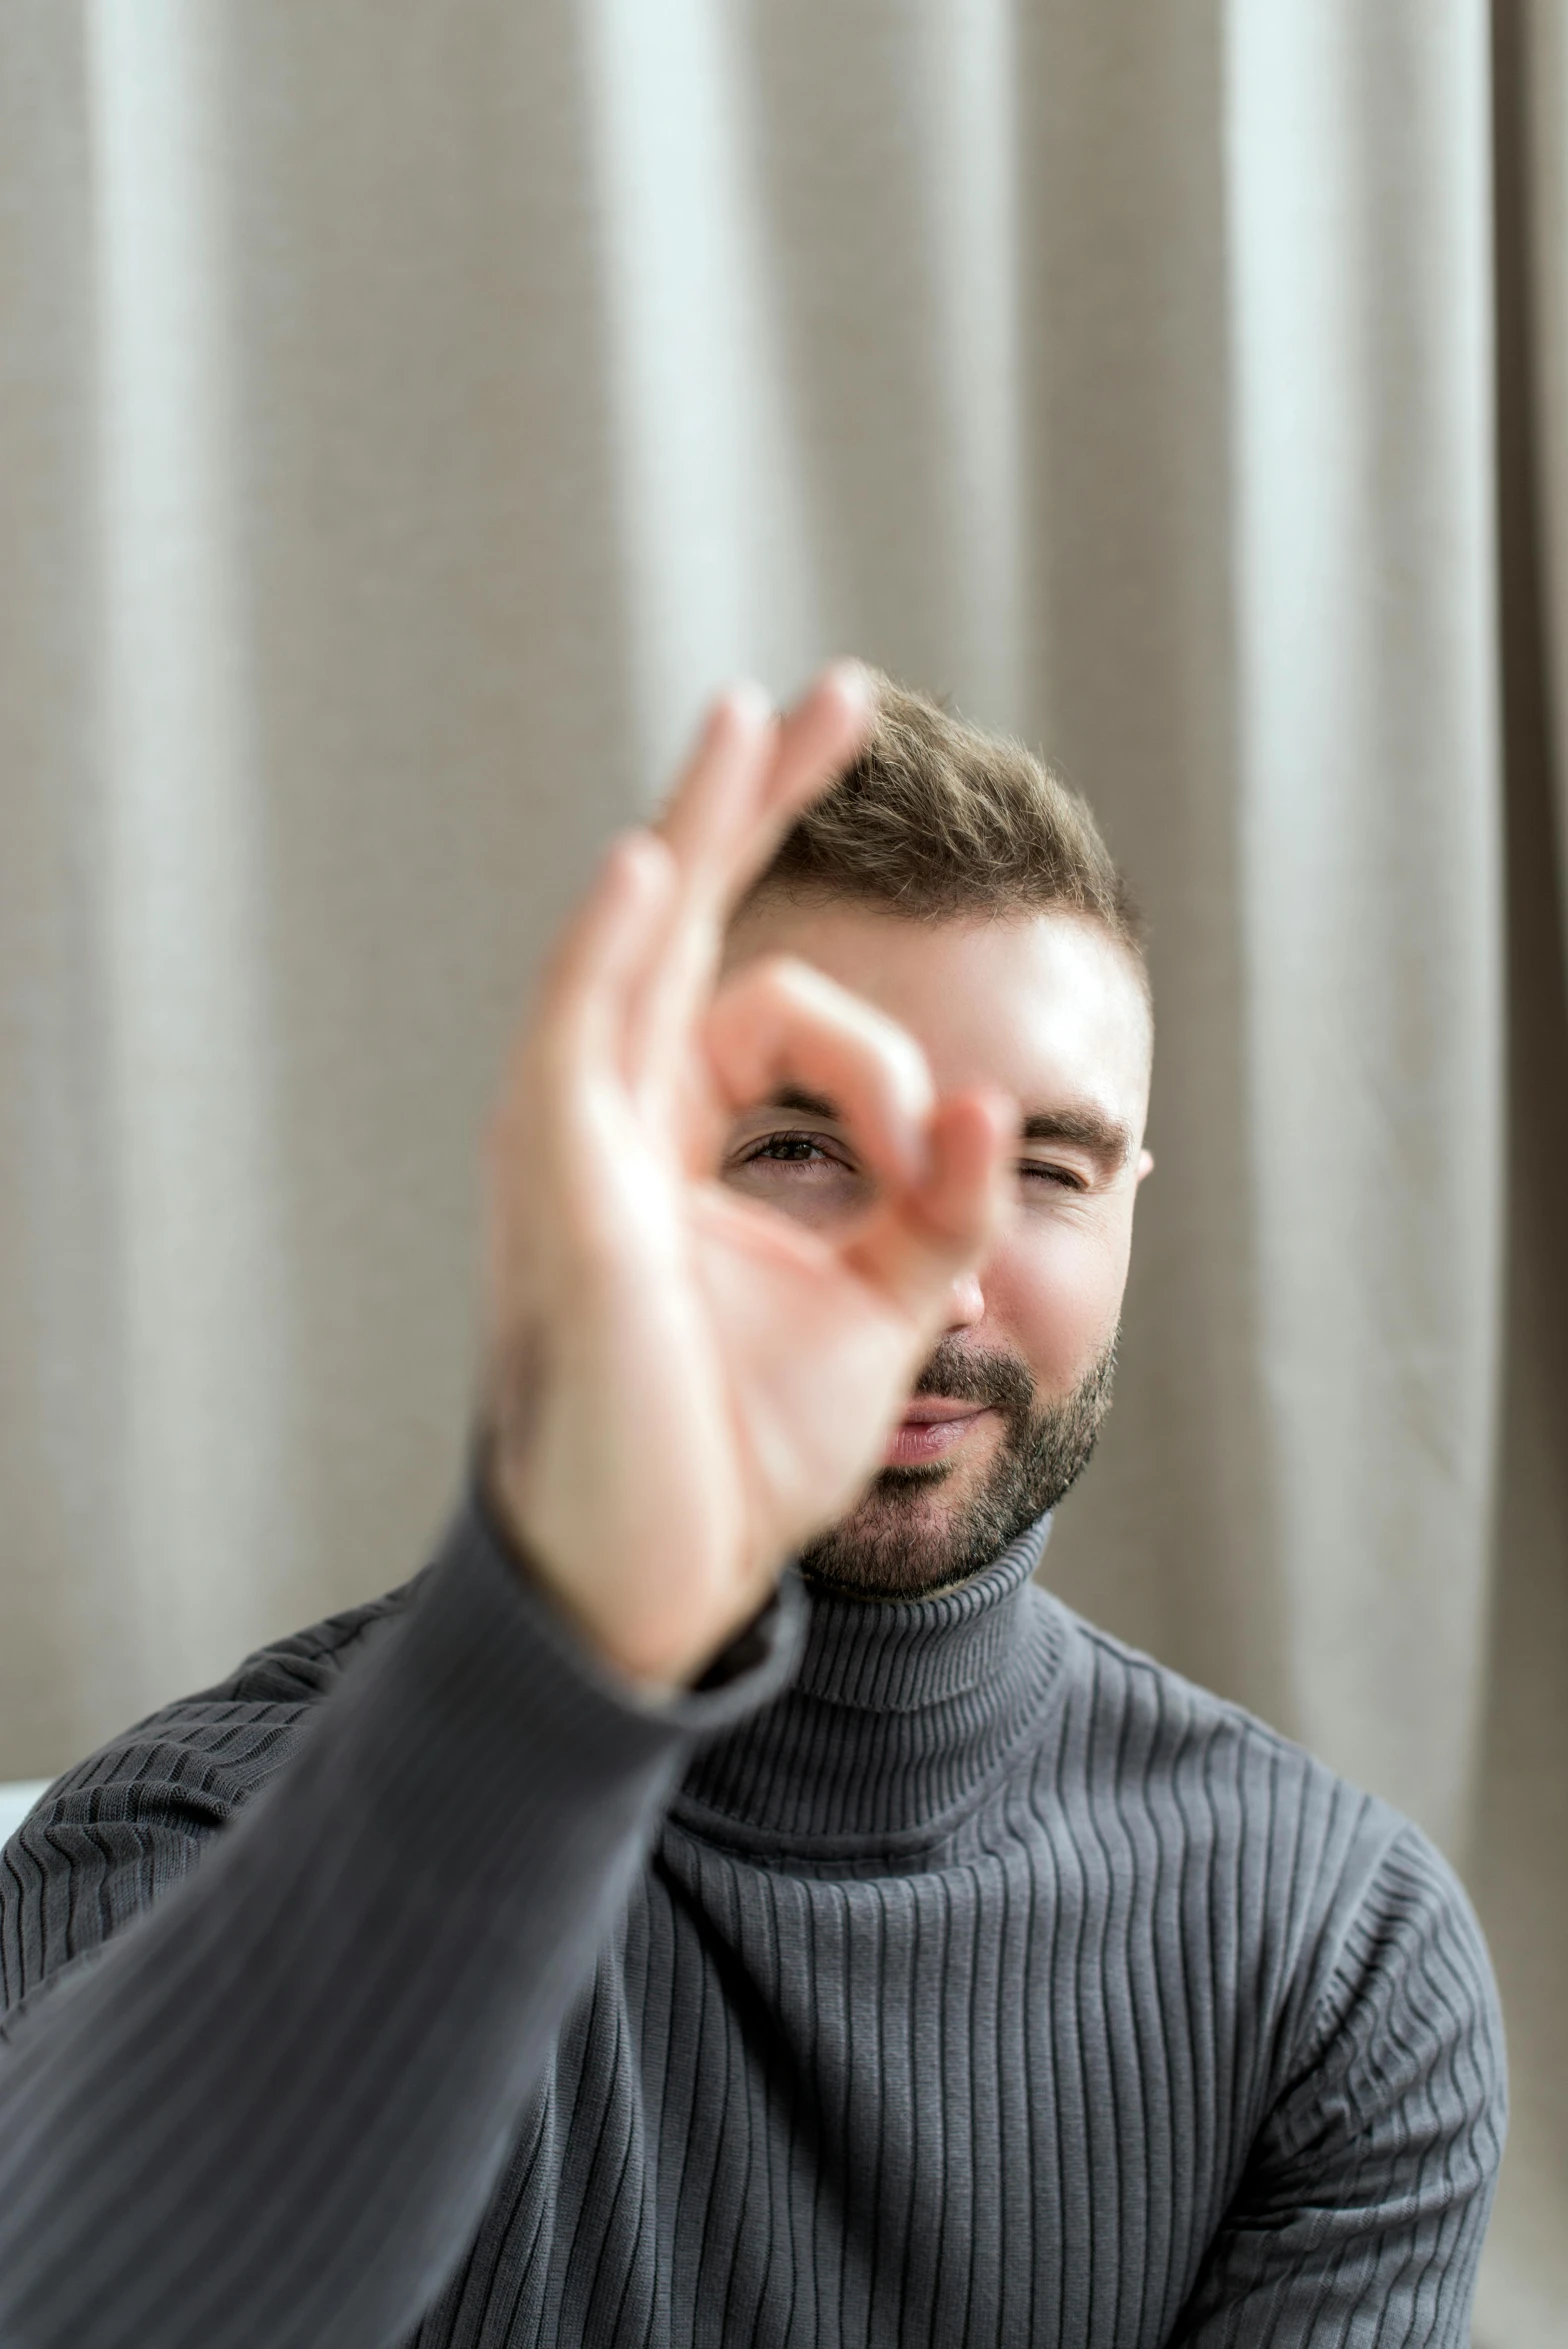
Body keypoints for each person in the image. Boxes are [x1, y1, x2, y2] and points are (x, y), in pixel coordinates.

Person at [0, 668, 1504, 2349]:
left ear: (1133, 1200)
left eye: (1045, 1171)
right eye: (802, 1146)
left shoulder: (1337, 1960)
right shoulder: (188, 1842)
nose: (936, 1293)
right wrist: (571, 1626)